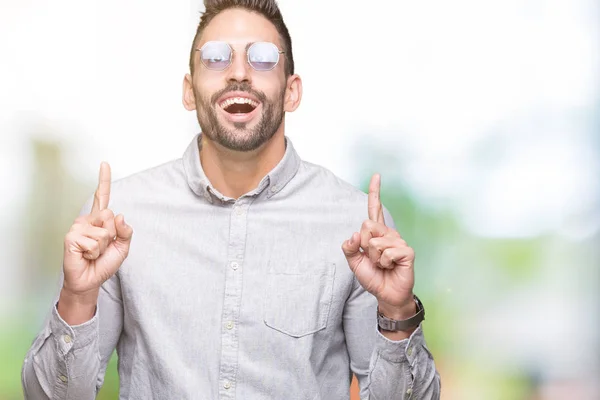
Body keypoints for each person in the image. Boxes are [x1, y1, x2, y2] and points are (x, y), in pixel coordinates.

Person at [21, 0, 441, 398]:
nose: (238, 73)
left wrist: (397, 311)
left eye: (262, 58)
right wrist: (77, 298)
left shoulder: (356, 226)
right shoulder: (115, 222)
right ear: (189, 91)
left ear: (292, 91)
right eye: (216, 57)